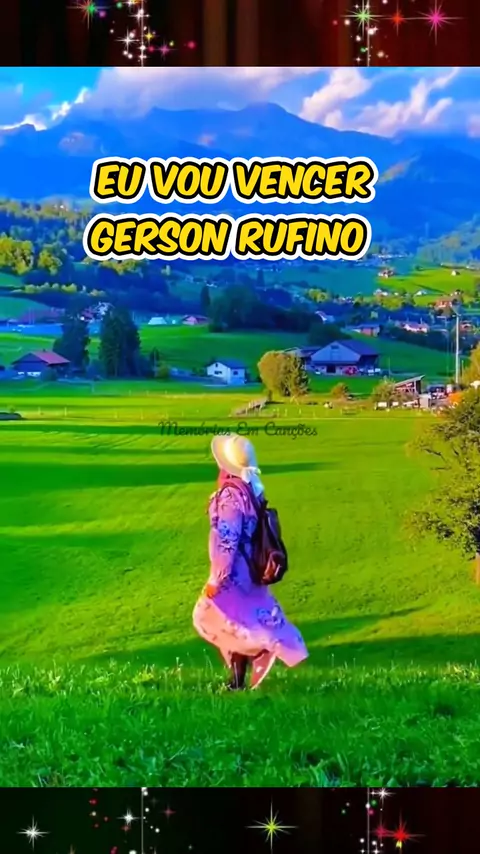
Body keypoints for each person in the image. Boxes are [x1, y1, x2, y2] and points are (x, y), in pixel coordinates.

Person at [193, 433, 308, 690]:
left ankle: (262, 650)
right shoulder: (253, 488)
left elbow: (227, 541)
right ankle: (237, 681)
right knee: (238, 623)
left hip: (235, 573)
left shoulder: (230, 496)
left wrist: (216, 579)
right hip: (252, 570)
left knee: (207, 616)